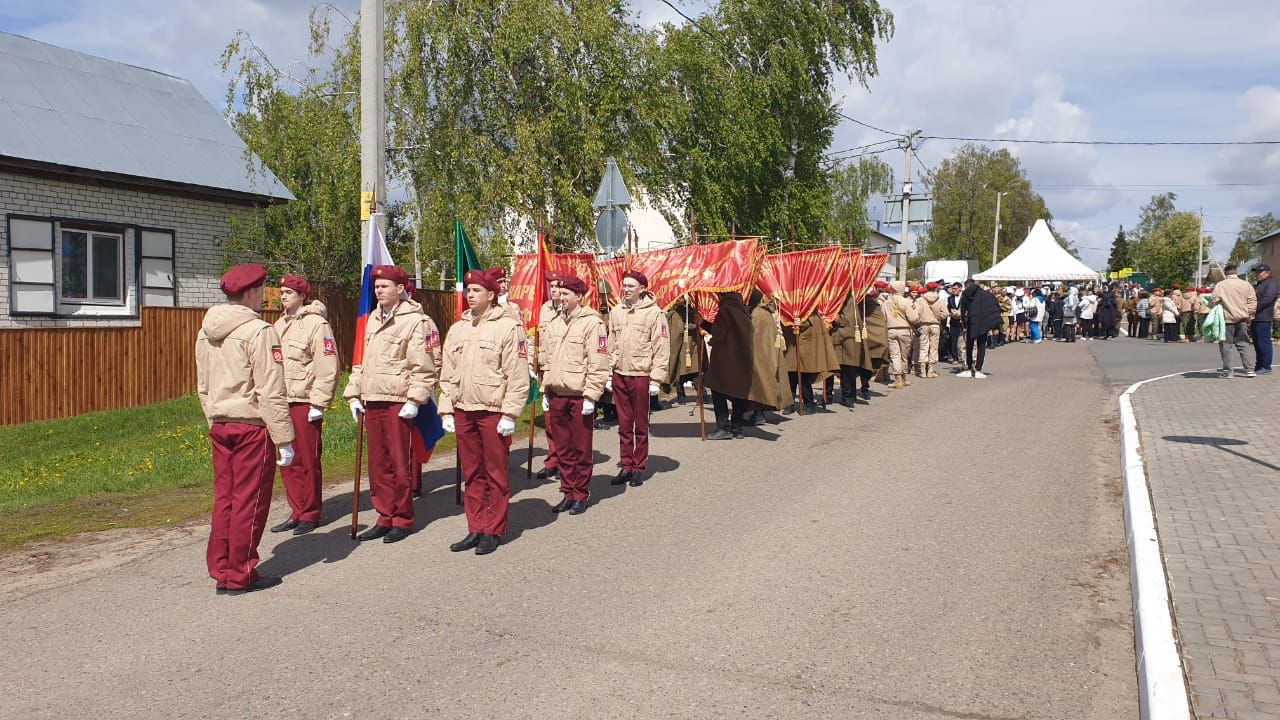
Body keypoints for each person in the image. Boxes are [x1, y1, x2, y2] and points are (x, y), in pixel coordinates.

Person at [195, 263, 294, 595]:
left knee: (225, 499)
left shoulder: (206, 330)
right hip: (251, 425)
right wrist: (284, 439)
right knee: (249, 501)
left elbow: (203, 385)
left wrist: (214, 417)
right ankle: (241, 573)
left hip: (221, 423)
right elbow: (271, 388)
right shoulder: (260, 332)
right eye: (261, 291)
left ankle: (221, 568)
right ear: (251, 293)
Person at [344, 265, 440, 544]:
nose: (378, 291)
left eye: (384, 286)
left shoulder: (414, 321)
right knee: (377, 464)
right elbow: (362, 362)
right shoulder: (373, 319)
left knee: (399, 463)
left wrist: (415, 399)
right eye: (376, 287)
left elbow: (422, 366)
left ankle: (402, 518)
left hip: (398, 400)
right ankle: (384, 515)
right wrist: (353, 393)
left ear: (400, 289)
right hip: (372, 399)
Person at [437, 269, 529, 556]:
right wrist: (446, 409)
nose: (470, 295)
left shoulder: (508, 327)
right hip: (464, 409)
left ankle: (493, 528)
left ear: (491, 295)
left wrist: (510, 414)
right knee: (472, 472)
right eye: (468, 290)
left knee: (495, 472)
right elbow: (447, 372)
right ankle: (475, 526)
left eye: (476, 290)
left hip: (492, 411)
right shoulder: (458, 329)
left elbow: (517, 375)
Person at [268, 275, 338, 536]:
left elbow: (327, 366)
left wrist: (319, 402)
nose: (283, 296)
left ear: (302, 295)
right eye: (282, 292)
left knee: (308, 459)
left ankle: (310, 512)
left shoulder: (316, 324)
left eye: (289, 292)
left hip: (305, 400)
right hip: (281, 400)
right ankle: (296, 510)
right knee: (287, 459)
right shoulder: (279, 325)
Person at [540, 274, 610, 513]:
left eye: (565, 293)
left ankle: (581, 493)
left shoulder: (593, 323)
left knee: (580, 448)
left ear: (578, 296)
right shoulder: (555, 322)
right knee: (563, 448)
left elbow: (598, 362)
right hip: (557, 393)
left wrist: (592, 395)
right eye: (558, 293)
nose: (560, 297)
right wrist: (545, 390)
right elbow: (548, 359)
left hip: (580, 396)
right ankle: (567, 491)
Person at [606, 271, 670, 487]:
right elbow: (611, 344)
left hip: (642, 375)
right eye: (624, 285)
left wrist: (656, 379)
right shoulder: (616, 312)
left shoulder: (654, 314)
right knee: (624, 424)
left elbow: (661, 348)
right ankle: (626, 465)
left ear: (642, 288)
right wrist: (608, 372)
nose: (626, 289)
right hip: (620, 374)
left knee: (640, 425)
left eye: (631, 286)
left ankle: (639, 466)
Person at [702, 291, 754, 439]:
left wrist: (703, 323)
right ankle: (737, 428)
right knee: (738, 393)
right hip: (742, 359)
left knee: (718, 391)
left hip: (725, 359)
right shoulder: (743, 310)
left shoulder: (725, 310)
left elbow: (719, 334)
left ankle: (723, 427)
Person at [746, 291, 791, 417]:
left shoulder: (757, 314)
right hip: (767, 353)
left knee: (760, 383)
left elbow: (753, 336)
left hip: (760, 354)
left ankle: (758, 414)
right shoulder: (764, 312)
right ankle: (758, 412)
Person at [784, 311, 839, 410]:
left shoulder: (813, 313)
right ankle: (789, 405)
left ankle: (809, 404)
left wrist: (798, 323)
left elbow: (810, 326)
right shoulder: (791, 310)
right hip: (792, 350)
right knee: (791, 379)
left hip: (805, 353)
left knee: (804, 380)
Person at [1214, 263, 1258, 377]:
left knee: (1226, 345)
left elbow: (1214, 300)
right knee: (1243, 343)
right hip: (1242, 318)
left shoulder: (1221, 285)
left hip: (1227, 319)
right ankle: (1249, 369)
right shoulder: (1246, 284)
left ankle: (1228, 372)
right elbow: (1252, 301)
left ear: (1225, 272)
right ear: (1236, 272)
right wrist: (1249, 314)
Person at [959, 279, 1001, 378]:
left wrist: (964, 324)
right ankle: (978, 369)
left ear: (967, 285)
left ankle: (969, 368)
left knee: (969, 345)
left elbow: (963, 311)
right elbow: (994, 307)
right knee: (981, 346)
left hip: (971, 321)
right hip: (983, 322)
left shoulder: (965, 295)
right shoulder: (986, 295)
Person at [664, 297, 701, 404]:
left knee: (695, 373)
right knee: (680, 374)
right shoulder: (674, 314)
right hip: (680, 348)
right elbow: (676, 330)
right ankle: (681, 396)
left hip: (692, 346)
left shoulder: (693, 311)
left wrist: (696, 326)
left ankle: (700, 395)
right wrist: (688, 326)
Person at [882, 282, 917, 389]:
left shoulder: (886, 303)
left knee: (894, 355)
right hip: (905, 331)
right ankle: (904, 378)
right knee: (904, 355)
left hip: (891, 330)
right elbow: (913, 318)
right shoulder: (906, 302)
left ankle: (898, 379)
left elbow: (883, 318)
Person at [916, 282, 945, 377]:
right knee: (933, 347)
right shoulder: (939, 299)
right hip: (935, 325)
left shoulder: (920, 300)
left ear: (926, 288)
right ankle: (931, 370)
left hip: (923, 324)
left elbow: (915, 313)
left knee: (923, 346)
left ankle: (923, 371)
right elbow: (945, 313)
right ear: (936, 288)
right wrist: (938, 317)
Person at [1253, 264, 1276, 374]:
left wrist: (1253, 308)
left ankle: (1266, 366)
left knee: (1264, 343)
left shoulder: (1271, 284)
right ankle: (1259, 364)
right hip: (1256, 317)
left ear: (1267, 273)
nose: (1257, 274)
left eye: (1259, 272)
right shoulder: (1259, 284)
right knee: (1257, 343)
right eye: (1256, 272)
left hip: (1264, 317)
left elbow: (1267, 299)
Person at [945, 282, 965, 362]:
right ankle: (955, 357)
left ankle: (962, 356)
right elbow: (949, 307)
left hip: (962, 321)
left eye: (955, 288)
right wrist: (951, 312)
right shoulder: (950, 298)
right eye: (952, 289)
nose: (953, 290)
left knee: (963, 339)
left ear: (960, 288)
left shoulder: (964, 297)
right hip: (953, 321)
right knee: (953, 338)